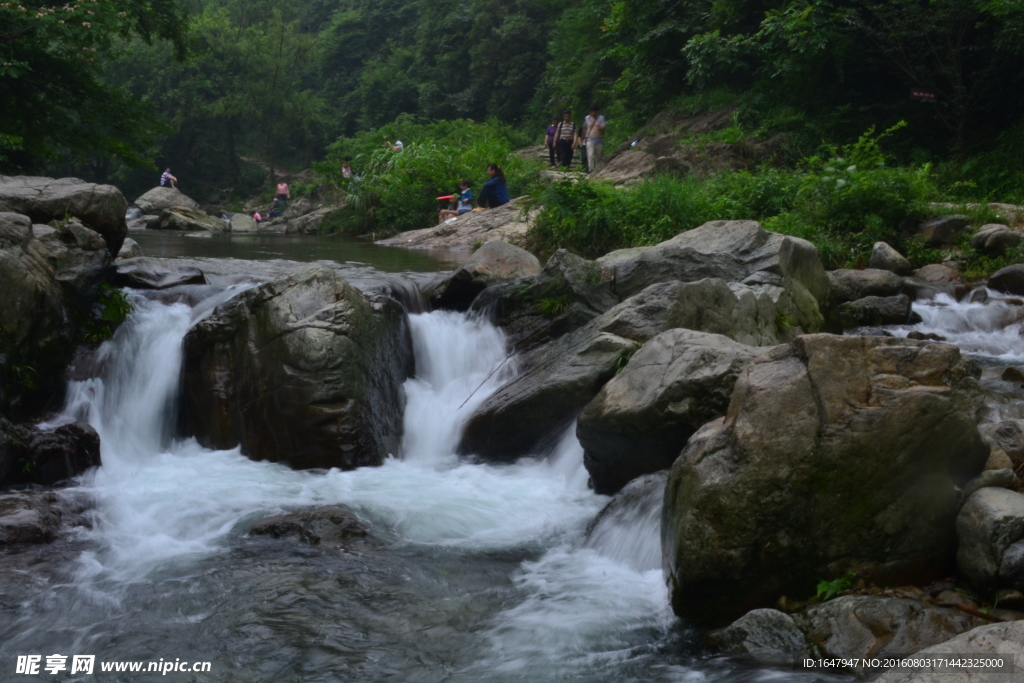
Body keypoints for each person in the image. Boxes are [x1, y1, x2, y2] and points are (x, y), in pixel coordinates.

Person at [583, 104, 607, 172]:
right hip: (590, 139)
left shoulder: (601, 118)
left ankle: (599, 169)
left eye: (595, 111)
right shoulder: (587, 118)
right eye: (592, 111)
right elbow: (585, 128)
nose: (593, 113)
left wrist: (598, 127)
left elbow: (604, 127)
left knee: (599, 156)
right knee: (590, 155)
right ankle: (591, 170)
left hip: (598, 139)